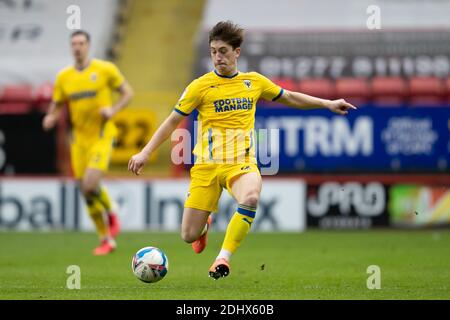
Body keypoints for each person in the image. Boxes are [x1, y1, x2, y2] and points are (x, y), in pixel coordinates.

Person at [128, 21, 356, 279]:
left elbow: (290, 97)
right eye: (213, 51)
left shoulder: (253, 82)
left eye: (223, 51)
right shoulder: (200, 86)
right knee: (188, 235)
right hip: (206, 165)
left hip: (241, 163)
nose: (217, 57)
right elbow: (172, 121)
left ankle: (222, 259)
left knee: (250, 198)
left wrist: (327, 103)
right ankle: (203, 228)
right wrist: (145, 152)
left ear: (237, 52)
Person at [43, 30, 134, 255]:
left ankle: (112, 212)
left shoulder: (105, 70)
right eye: (74, 43)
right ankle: (105, 240)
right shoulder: (64, 77)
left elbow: (127, 93)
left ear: (88, 45)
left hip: (101, 136)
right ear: (70, 47)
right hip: (79, 141)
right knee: (85, 191)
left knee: (90, 184)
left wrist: (112, 110)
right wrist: (50, 116)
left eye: (81, 43)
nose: (77, 47)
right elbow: (56, 104)